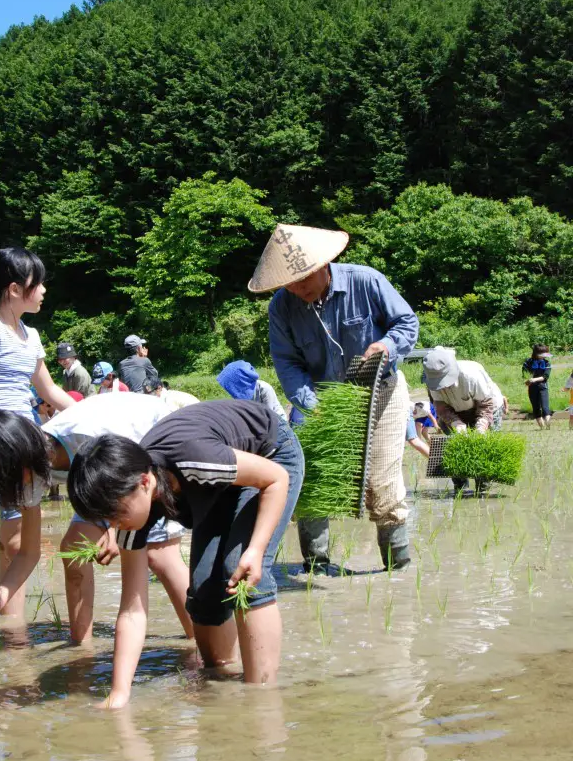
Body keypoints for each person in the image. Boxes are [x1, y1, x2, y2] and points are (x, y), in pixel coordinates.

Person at [67, 399, 304, 709]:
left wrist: (257, 550)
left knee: (241, 570)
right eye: (105, 520)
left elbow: (275, 478)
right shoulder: (132, 510)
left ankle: (260, 698)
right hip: (223, 482)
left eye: (115, 515)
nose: (112, 526)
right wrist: (119, 693)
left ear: (144, 482)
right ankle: (218, 680)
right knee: (204, 589)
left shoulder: (196, 461)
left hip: (270, 458)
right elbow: (132, 609)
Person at [249, 224, 418, 572]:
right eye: (289, 283)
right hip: (322, 400)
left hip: (381, 392)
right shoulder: (282, 307)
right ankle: (317, 565)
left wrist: (386, 345)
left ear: (323, 265)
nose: (297, 288)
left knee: (381, 484)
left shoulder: (365, 281)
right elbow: (287, 362)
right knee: (313, 478)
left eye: (303, 279)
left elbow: (406, 322)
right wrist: (313, 404)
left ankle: (397, 570)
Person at [0, 393, 193, 643]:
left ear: (18, 456)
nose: (2, 480)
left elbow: (129, 479)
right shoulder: (29, 473)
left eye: (1, 472)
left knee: (159, 554)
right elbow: (28, 553)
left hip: (149, 445)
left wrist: (113, 528)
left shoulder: (86, 436)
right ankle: (81, 646)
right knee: (74, 549)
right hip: (106, 480)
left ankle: (201, 646)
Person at [0, 246, 75, 639]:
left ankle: (12, 633)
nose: (43, 292)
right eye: (38, 284)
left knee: (15, 544)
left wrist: (93, 414)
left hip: (26, 448)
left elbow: (50, 390)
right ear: (16, 288)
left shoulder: (32, 335)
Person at [422, 347, 504, 496]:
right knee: (455, 448)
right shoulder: (431, 382)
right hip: (454, 410)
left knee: (483, 447)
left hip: (486, 406)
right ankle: (461, 489)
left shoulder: (470, 376)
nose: (443, 386)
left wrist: (481, 428)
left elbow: (485, 406)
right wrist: (456, 423)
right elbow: (440, 406)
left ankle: (483, 490)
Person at [216, 360, 287, 419]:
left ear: (241, 382)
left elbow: (269, 416)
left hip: (277, 423)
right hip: (256, 422)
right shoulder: (240, 394)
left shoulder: (264, 388)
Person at [522, 343, 552, 429]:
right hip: (532, 388)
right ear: (536, 353)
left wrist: (534, 379)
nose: (545, 355)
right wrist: (526, 381)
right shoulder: (528, 362)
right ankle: (542, 427)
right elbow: (524, 375)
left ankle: (548, 426)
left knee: (545, 407)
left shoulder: (547, 363)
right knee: (536, 408)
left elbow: (545, 377)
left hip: (543, 387)